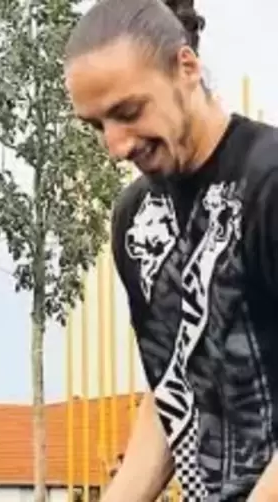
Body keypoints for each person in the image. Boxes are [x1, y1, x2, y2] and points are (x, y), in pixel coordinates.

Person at [64, 0, 278, 500]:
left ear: (186, 68)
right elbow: (174, 389)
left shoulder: (269, 183)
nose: (115, 145)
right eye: (96, 125)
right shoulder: (135, 219)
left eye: (128, 112)